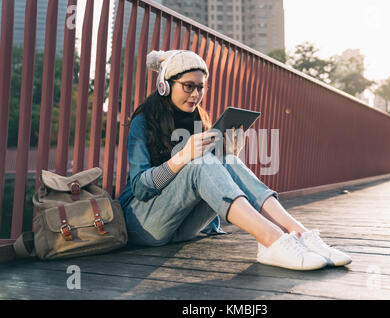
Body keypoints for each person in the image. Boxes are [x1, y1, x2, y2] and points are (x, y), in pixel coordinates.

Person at [118, 50, 351, 271]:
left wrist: (230, 155)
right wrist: (182, 157)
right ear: (165, 85)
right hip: (145, 225)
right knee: (200, 164)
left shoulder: (199, 119)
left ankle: (299, 233)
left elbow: (209, 181)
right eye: (188, 86)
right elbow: (139, 188)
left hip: (181, 228)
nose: (195, 95)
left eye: (201, 88)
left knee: (225, 160)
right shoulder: (143, 122)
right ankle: (272, 239)